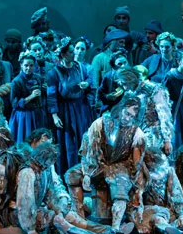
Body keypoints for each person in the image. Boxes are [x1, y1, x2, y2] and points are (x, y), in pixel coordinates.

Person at [79, 95, 146, 232]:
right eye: (126, 113)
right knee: (72, 176)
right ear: (121, 108)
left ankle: (115, 228)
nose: (127, 118)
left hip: (120, 166)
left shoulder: (137, 133)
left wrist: (134, 183)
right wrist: (87, 173)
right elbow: (90, 149)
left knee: (121, 188)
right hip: (97, 164)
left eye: (131, 116)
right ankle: (78, 218)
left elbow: (137, 163)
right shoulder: (101, 123)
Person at [129, 149, 183, 234]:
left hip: (170, 211)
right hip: (152, 212)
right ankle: (167, 229)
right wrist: (138, 222)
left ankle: (178, 225)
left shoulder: (168, 171)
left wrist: (182, 216)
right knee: (158, 218)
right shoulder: (140, 175)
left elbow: (177, 194)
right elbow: (135, 203)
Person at [47, 37, 96, 175]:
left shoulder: (79, 67)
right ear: (63, 54)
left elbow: (90, 80)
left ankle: (83, 172)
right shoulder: (54, 72)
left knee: (81, 139)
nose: (74, 54)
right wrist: (55, 115)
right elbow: (51, 95)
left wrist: (86, 84)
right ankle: (68, 173)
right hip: (65, 110)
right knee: (68, 142)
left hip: (79, 109)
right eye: (70, 52)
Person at [8, 51, 48, 144]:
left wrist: (44, 90)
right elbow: (14, 103)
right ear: (21, 65)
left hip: (37, 114)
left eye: (31, 65)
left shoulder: (38, 78)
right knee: (26, 141)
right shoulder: (16, 81)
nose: (28, 68)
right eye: (26, 65)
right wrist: (31, 96)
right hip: (23, 116)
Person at [95, 49, 131, 115]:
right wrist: (107, 96)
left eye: (125, 62)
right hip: (111, 109)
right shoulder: (108, 76)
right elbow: (100, 93)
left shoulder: (132, 76)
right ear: (114, 66)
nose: (123, 66)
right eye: (120, 64)